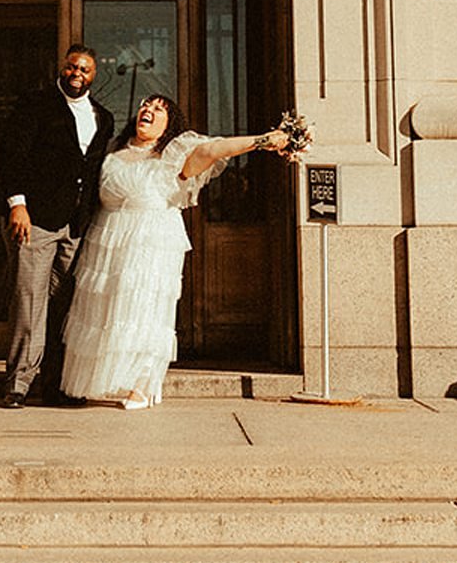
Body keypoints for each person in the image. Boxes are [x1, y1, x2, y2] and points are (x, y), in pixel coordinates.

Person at [58, 94, 292, 410]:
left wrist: (265, 140)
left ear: (170, 125)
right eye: (145, 106)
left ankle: (142, 385)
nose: (149, 111)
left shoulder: (173, 156)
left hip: (149, 240)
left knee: (142, 309)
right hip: (108, 238)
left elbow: (213, 149)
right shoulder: (113, 150)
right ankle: (100, 380)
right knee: (105, 307)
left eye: (159, 110)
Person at [0, 46, 114, 408]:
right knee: (29, 303)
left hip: (77, 226)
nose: (77, 73)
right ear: (62, 69)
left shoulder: (103, 117)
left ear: (95, 76)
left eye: (85, 69)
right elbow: (11, 154)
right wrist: (18, 205)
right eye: (72, 66)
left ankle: (57, 385)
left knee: (66, 308)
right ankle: (18, 384)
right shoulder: (36, 103)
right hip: (37, 221)